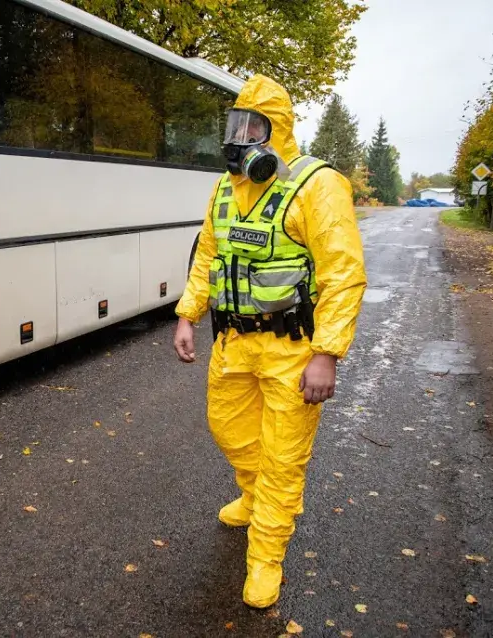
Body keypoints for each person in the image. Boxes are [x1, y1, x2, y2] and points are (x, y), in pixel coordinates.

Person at [173, 74, 367, 609]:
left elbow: (343, 274)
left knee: (283, 458)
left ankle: (265, 558)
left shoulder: (316, 185)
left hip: (293, 350)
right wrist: (188, 315)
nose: (240, 138)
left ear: (276, 131)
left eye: (252, 126)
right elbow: (208, 255)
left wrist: (326, 353)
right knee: (228, 429)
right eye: (235, 126)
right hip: (233, 344)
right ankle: (254, 495)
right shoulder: (224, 190)